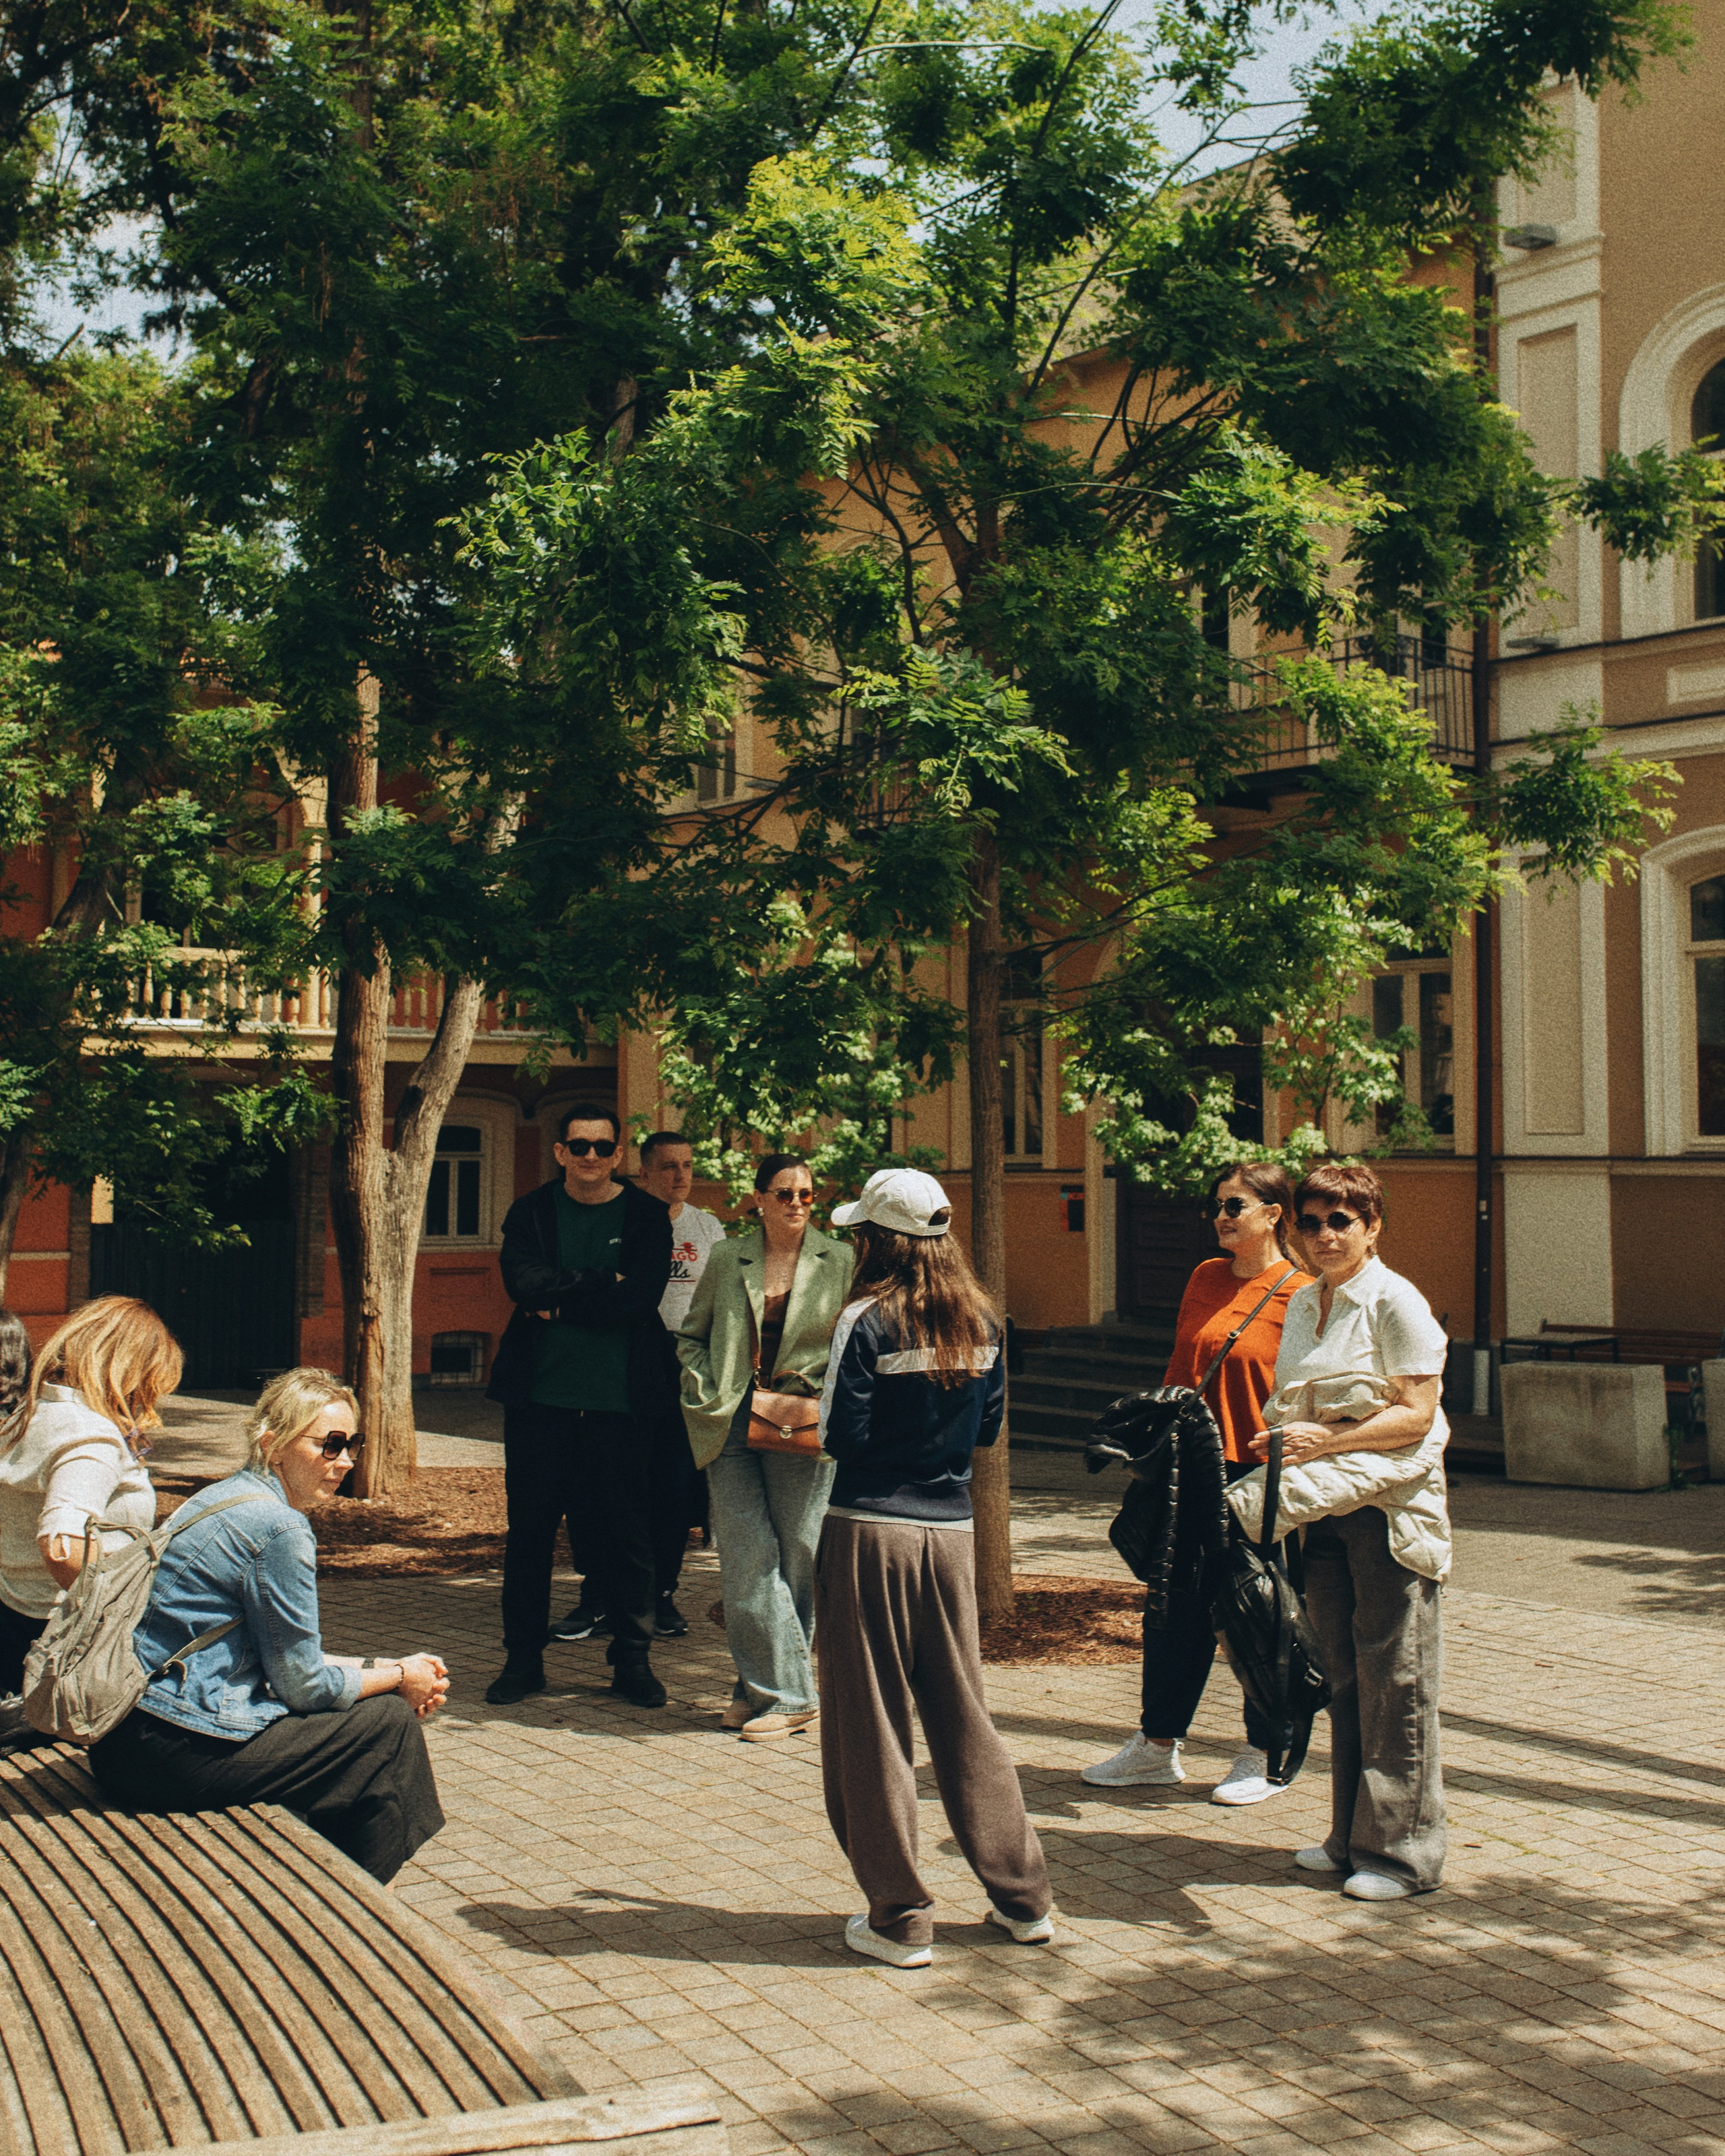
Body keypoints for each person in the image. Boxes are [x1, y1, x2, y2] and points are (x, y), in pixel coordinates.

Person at [816, 1167, 1053, 1968]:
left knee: (871, 1719)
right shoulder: (985, 1317)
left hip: (868, 1530)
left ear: (877, 1240)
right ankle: (1024, 1900)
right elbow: (985, 1431)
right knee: (964, 1713)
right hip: (950, 1533)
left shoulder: (864, 1318)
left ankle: (899, 1915)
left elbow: (839, 1434)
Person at [90, 1368, 449, 1886]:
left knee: (367, 1720)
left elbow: (285, 1657)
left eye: (353, 1444)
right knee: (387, 1726)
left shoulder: (220, 1497)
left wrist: (389, 1667)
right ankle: (353, 1908)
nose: (345, 1460)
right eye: (330, 1445)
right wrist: (398, 1679)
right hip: (170, 1752)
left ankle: (331, 1889)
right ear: (273, 1444)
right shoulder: (279, 1528)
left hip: (123, 1738)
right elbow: (303, 1686)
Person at [1252, 1160, 1450, 1901]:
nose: (1325, 1233)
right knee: (1342, 1675)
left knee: (1395, 1678)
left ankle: (1401, 1854)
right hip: (1324, 1510)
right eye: (1311, 1220)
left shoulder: (1395, 1300)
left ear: (1372, 1227)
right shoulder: (1307, 1301)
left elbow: (1416, 1413)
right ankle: (1349, 1836)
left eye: (1342, 1219)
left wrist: (1322, 1442)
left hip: (1389, 1513)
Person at [1083, 1164, 1309, 1805]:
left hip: (1261, 1473)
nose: (1221, 1215)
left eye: (1236, 1205)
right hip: (1193, 1469)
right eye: (1216, 1205)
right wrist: (1151, 1445)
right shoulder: (1205, 1278)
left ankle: (1263, 1751)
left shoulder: (1302, 1292)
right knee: (1173, 1608)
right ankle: (1157, 1746)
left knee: (1255, 1613)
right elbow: (1181, 1372)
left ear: (1274, 1213)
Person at [484, 1102, 674, 1708]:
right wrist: (600, 1282)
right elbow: (522, 1285)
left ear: (619, 1154)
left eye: (602, 1146)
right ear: (561, 1152)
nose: (591, 1156)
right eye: (579, 1146)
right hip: (542, 1401)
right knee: (531, 1534)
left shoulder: (647, 1215)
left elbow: (641, 1298)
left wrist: (562, 1298)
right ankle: (523, 1661)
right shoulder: (531, 1212)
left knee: (629, 1534)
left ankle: (632, 1661)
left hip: (624, 1403)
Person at [677, 1153, 853, 1739]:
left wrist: (825, 1394)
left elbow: (856, 1348)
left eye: (807, 1193)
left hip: (801, 1422)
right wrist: (703, 1389)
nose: (798, 1203)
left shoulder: (841, 1260)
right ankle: (790, 1696)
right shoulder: (730, 1256)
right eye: (784, 1193)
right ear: (758, 1198)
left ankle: (756, 1687)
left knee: (797, 1560)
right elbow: (692, 1335)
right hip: (730, 1421)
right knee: (747, 1558)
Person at [551, 1129, 724, 1646]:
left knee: (672, 1488)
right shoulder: (618, 1221)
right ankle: (597, 1595)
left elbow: (723, 1307)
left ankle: (660, 1595)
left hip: (683, 1372)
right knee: (601, 1483)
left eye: (688, 1165)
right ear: (643, 1171)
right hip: (618, 1367)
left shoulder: (707, 1229)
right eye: (668, 1166)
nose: (680, 1177)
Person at [0, 1296, 180, 1697]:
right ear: (129, 1368)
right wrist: (109, 1615)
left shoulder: (34, 1412)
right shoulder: (89, 1434)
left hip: (18, 1615)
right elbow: (62, 1547)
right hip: (65, 1643)